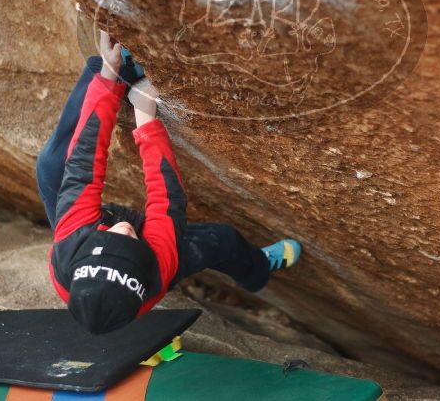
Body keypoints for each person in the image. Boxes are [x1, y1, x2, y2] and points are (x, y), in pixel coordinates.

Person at [35, 29, 302, 334]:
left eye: (112, 238)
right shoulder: (159, 267)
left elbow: (82, 165)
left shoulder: (70, 241)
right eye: (130, 240)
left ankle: (120, 71)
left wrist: (109, 76)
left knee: (53, 164)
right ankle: (258, 270)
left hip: (92, 228)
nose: (125, 229)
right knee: (221, 239)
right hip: (135, 242)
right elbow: (166, 198)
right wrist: (146, 120)